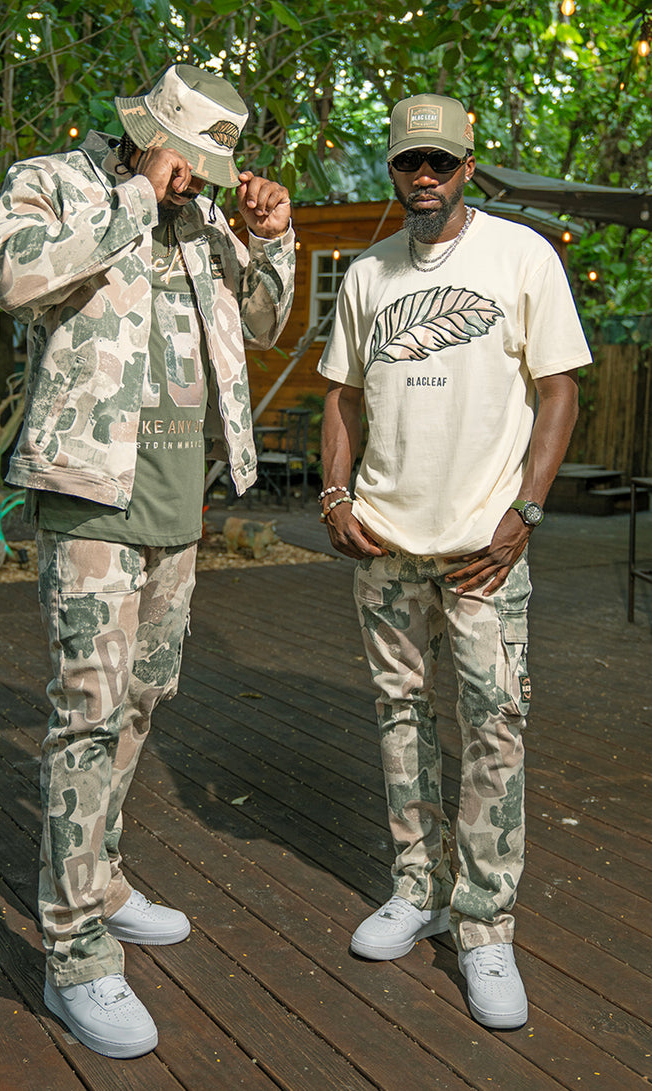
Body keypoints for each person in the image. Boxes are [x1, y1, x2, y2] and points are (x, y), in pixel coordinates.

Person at [0, 63, 294, 1059]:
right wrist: (136, 196)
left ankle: (103, 879)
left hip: (175, 505)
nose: (195, 178)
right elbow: (10, 276)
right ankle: (74, 951)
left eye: (208, 166)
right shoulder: (57, 183)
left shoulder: (204, 221)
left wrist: (273, 235)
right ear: (150, 135)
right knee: (87, 712)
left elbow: (264, 321)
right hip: (90, 498)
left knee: (142, 699)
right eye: (186, 158)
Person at [318, 93, 590, 1030]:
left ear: (469, 166)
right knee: (399, 714)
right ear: (393, 169)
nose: (425, 176)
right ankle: (416, 887)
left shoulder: (523, 256)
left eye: (441, 160)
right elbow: (342, 394)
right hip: (386, 545)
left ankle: (485, 923)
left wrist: (527, 512)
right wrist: (335, 494)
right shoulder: (367, 274)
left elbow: (559, 390)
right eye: (410, 161)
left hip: (484, 549)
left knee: (493, 726)